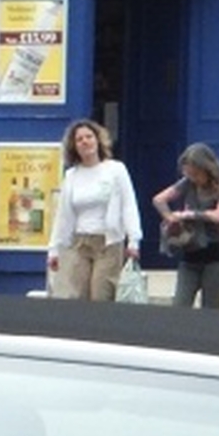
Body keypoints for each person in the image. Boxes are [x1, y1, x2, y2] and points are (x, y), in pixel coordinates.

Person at [46, 117, 141, 302]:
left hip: (108, 242)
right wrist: (54, 250)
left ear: (98, 140)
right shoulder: (72, 175)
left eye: (89, 136)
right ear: (74, 147)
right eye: (79, 139)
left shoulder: (116, 170)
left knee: (101, 295)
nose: (85, 142)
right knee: (78, 295)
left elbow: (129, 205)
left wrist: (134, 240)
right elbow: (63, 215)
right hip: (79, 242)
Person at [152, 143, 219, 309]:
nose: (193, 178)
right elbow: (159, 199)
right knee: (180, 304)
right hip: (191, 251)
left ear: (207, 169)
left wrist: (191, 214)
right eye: (188, 174)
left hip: (216, 253)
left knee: (211, 308)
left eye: (196, 174)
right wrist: (170, 218)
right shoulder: (187, 184)